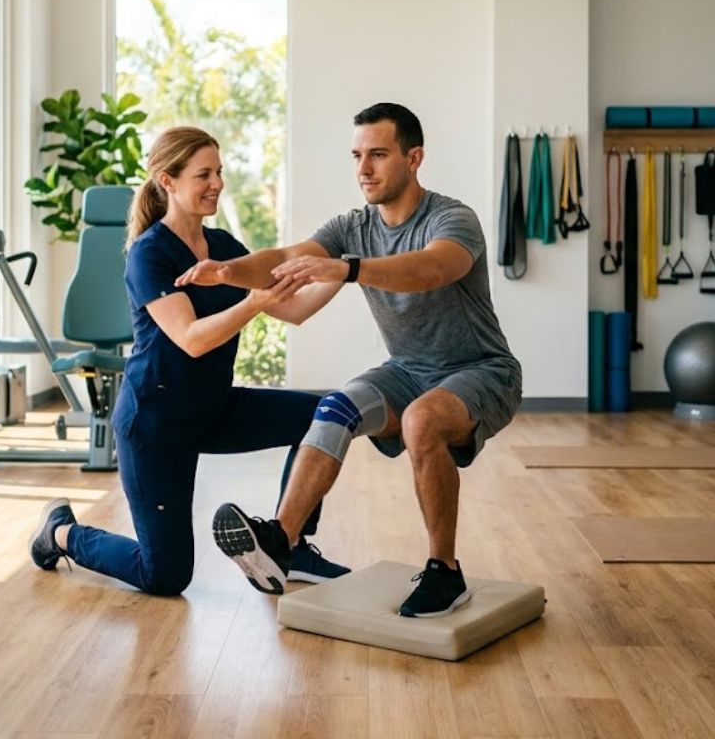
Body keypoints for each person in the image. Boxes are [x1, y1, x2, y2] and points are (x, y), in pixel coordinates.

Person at [178, 103, 522, 616]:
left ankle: (445, 570)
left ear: (414, 158)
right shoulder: (352, 225)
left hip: (481, 371)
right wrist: (228, 272)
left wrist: (346, 268)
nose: (363, 169)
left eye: (378, 155)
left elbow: (431, 269)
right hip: (408, 370)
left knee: (421, 420)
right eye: (358, 155)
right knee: (336, 406)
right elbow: (281, 259)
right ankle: (280, 540)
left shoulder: (453, 219)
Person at [28, 126, 349, 596]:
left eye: (219, 172)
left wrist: (346, 268)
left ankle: (290, 544)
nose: (216, 183)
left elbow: (295, 310)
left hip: (213, 409)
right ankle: (60, 533)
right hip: (155, 425)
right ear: (168, 181)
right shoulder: (149, 254)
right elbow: (191, 340)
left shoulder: (224, 249)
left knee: (323, 416)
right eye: (204, 174)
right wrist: (253, 303)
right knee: (166, 575)